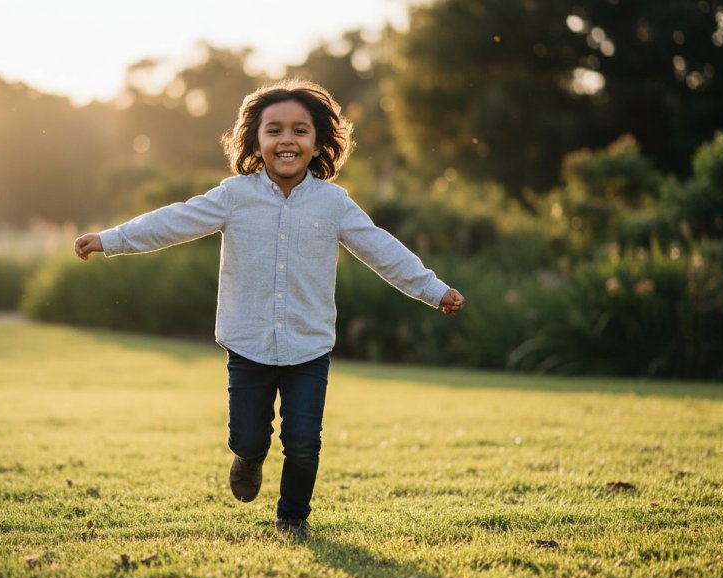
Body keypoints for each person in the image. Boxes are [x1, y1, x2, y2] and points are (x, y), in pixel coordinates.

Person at [74, 79, 465, 539]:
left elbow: (382, 249)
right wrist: (111, 240)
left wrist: (433, 289)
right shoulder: (234, 196)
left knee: (303, 441)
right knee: (248, 436)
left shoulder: (334, 203)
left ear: (318, 142)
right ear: (255, 141)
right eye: (274, 130)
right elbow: (173, 221)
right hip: (248, 341)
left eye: (300, 131)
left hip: (308, 346)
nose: (287, 140)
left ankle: (293, 517)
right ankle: (248, 458)